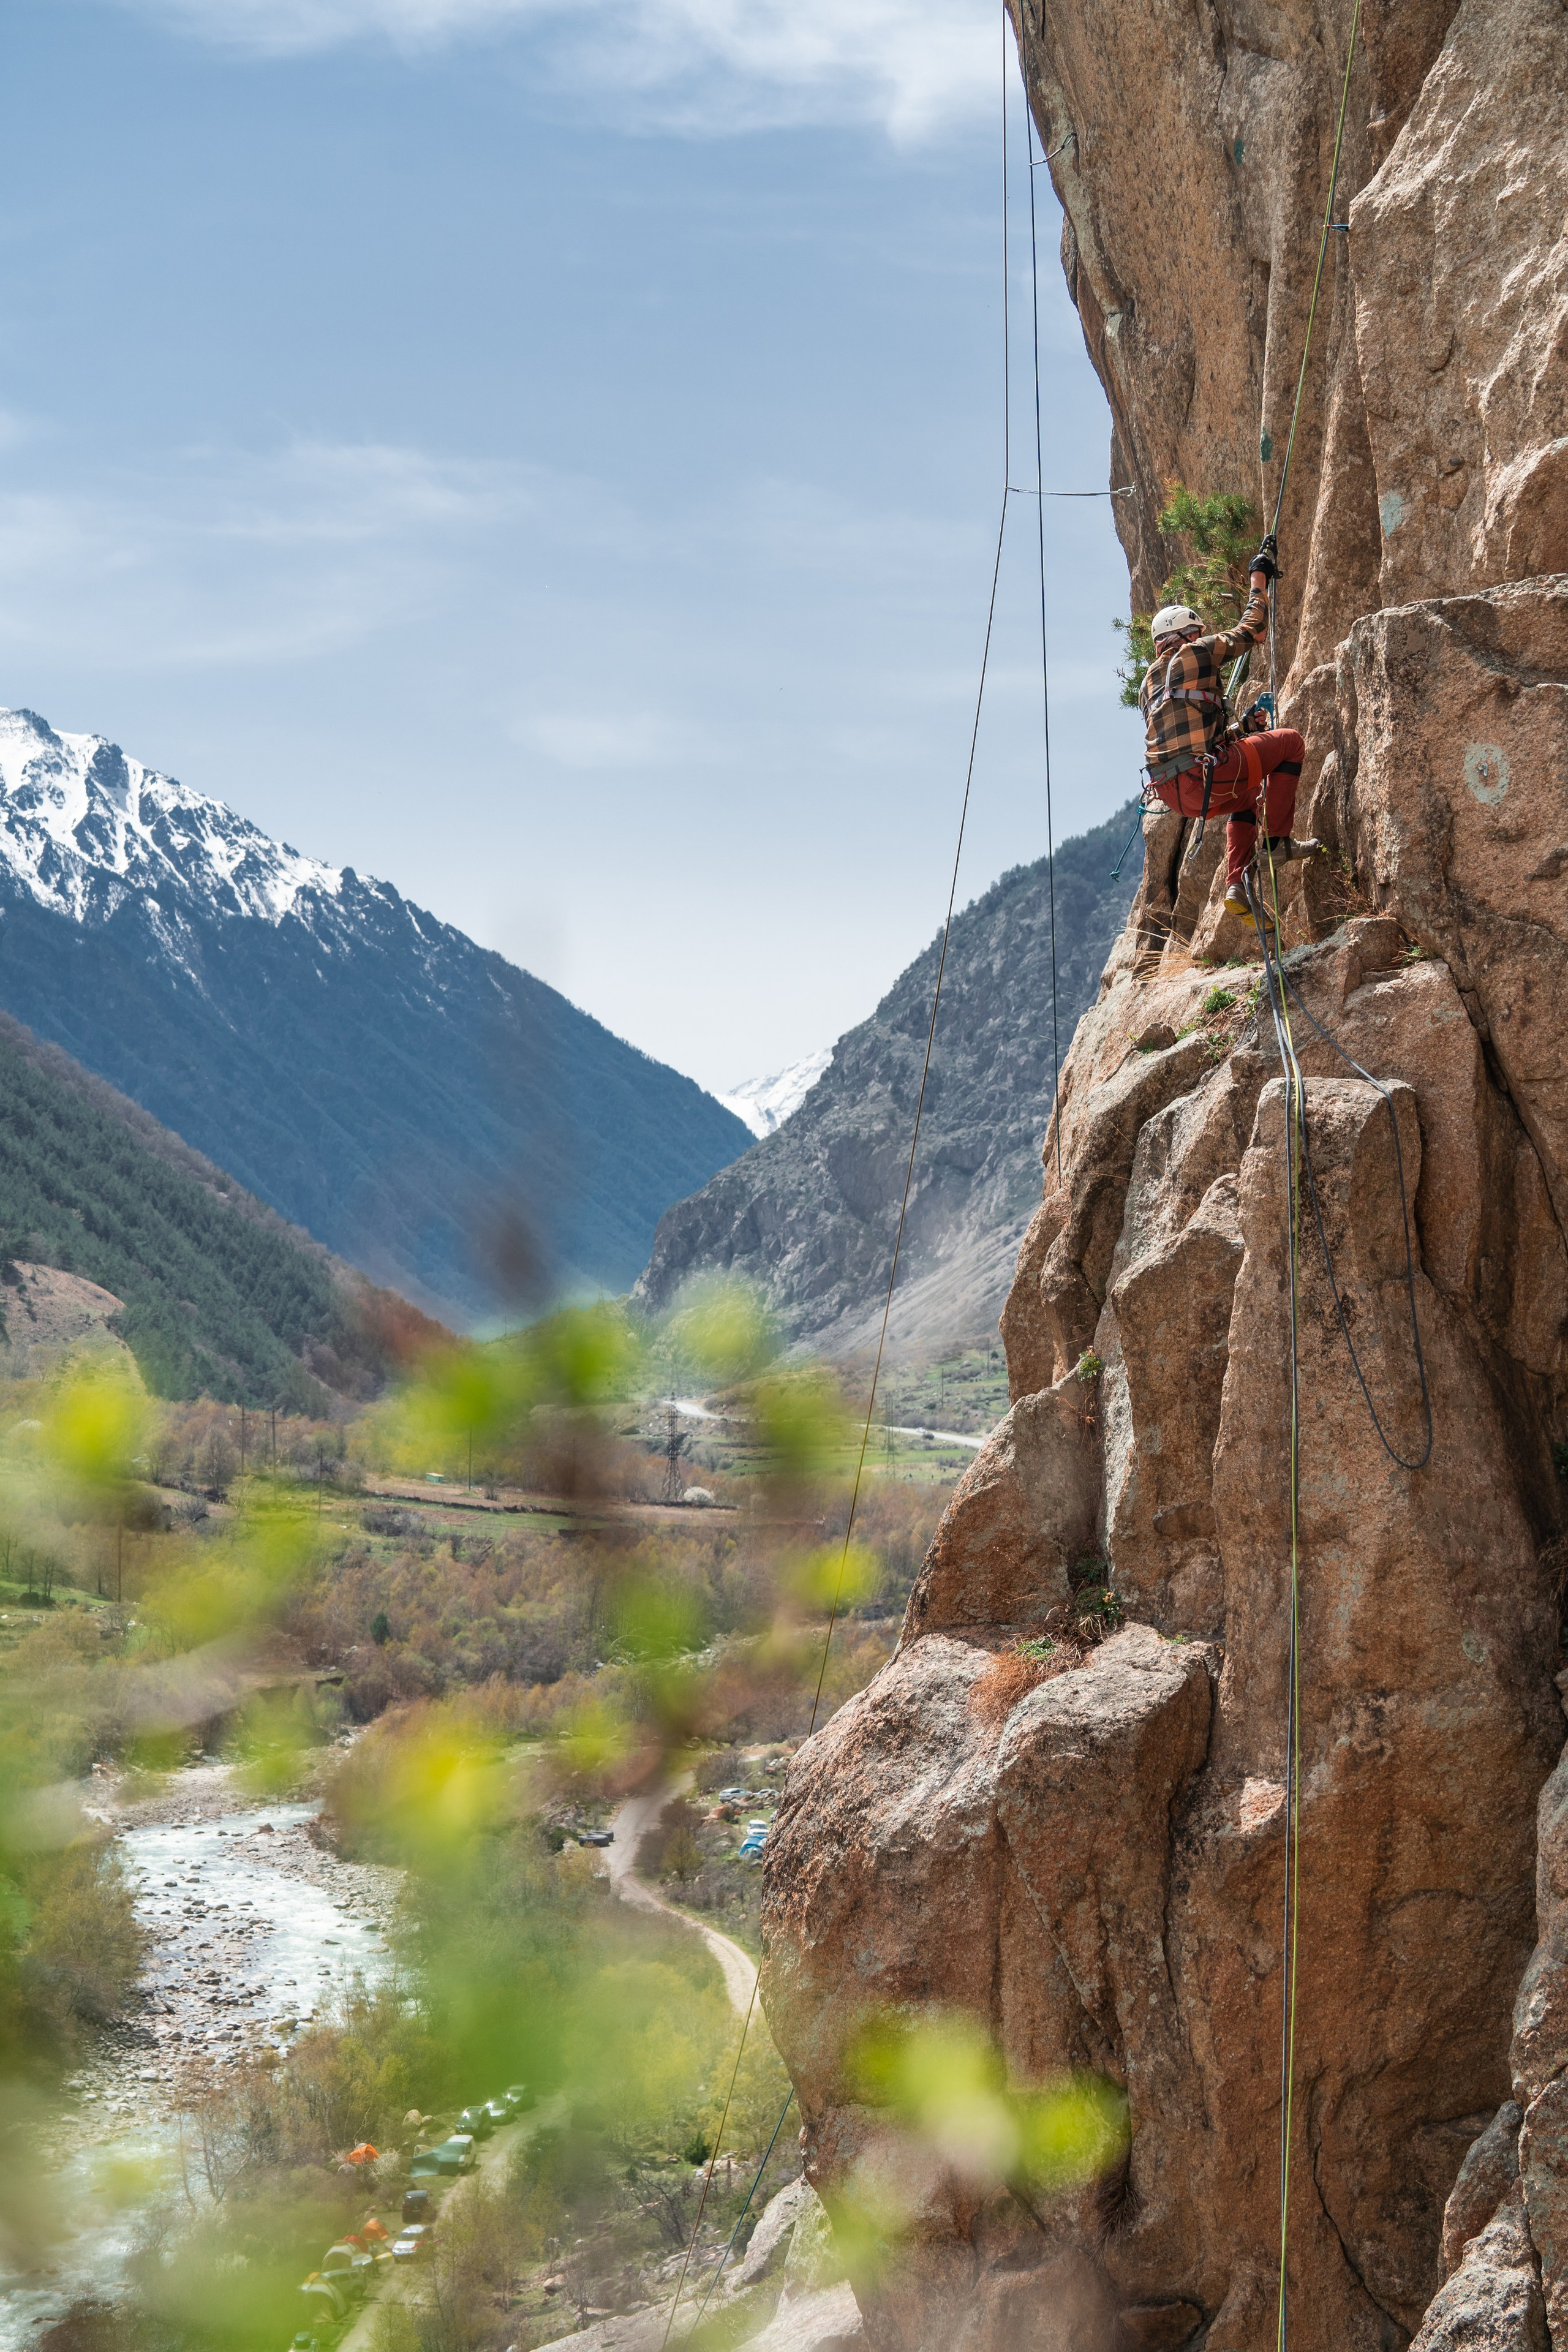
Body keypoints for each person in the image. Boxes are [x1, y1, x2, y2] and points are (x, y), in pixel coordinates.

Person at [1140, 531, 1318, 925]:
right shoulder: (1193, 655)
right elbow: (1252, 629)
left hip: (1173, 793)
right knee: (1290, 744)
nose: (1200, 637)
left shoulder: (1149, 683)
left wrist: (1242, 728)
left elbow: (1192, 739)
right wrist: (1259, 578)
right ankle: (1276, 844)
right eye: (1196, 632)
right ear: (1184, 635)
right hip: (1202, 778)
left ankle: (1236, 885)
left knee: (1249, 795)